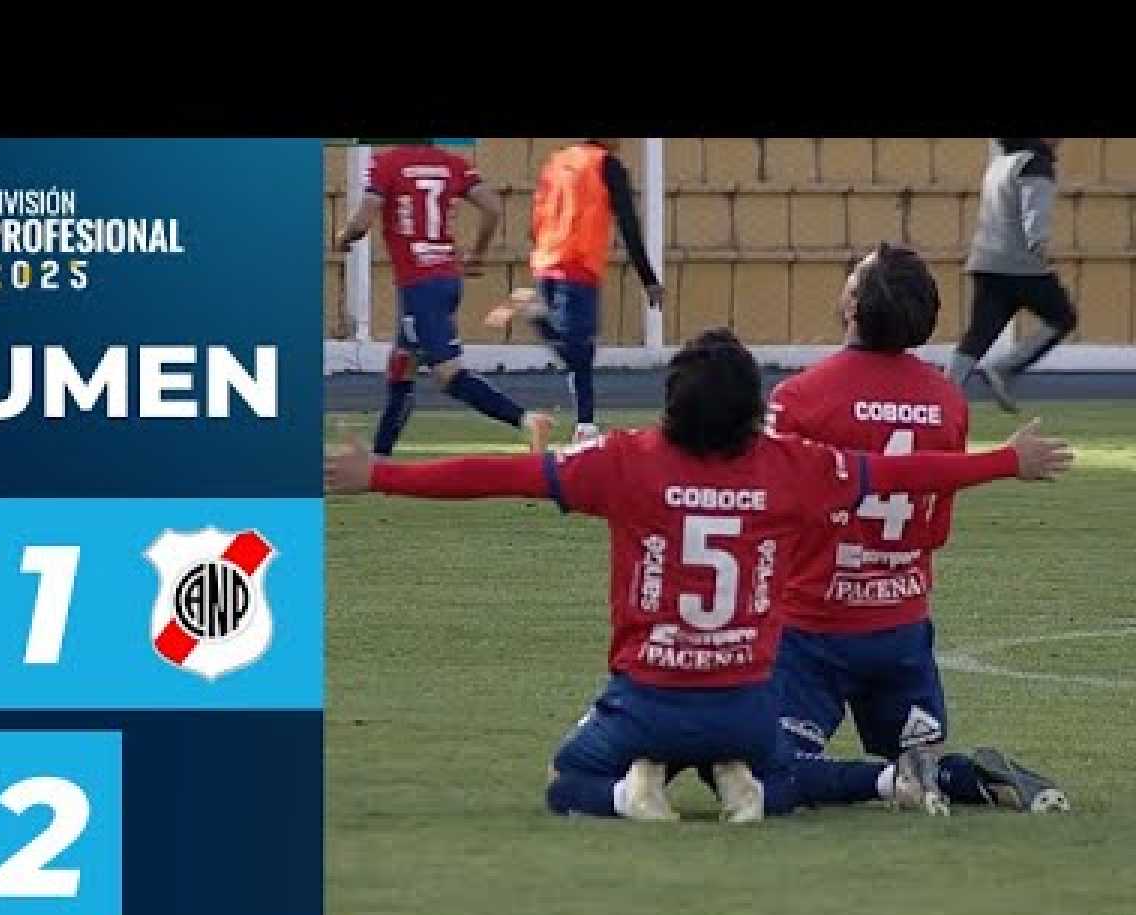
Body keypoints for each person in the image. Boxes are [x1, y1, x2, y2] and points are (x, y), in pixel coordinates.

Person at [326, 327, 1074, 823]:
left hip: (646, 699)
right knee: (786, 776)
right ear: (754, 411)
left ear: (673, 405)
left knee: (569, 780)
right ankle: (873, 780)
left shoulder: (624, 462)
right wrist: (1005, 460)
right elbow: (902, 472)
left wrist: (382, 475)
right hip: (746, 701)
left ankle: (632, 794)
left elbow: (500, 477)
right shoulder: (793, 468)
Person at [766, 242, 1071, 815]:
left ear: (853, 304)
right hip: (901, 630)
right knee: (921, 756)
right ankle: (969, 777)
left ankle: (884, 783)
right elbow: (934, 528)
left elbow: (771, 510)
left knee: (773, 773)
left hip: (813, 626)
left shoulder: (798, 398)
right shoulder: (947, 402)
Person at [335, 140, 553, 456]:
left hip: (420, 285)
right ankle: (380, 457)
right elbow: (492, 206)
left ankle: (527, 420)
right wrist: (478, 254)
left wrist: (344, 238)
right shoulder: (452, 163)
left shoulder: (387, 163)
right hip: (445, 279)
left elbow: (362, 221)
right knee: (402, 365)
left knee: (449, 375)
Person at [485, 139, 664, 444]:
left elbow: (538, 214)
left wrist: (542, 249)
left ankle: (585, 423)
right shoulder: (606, 165)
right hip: (577, 263)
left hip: (547, 259)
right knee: (579, 351)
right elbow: (628, 223)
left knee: (577, 350)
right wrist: (648, 277)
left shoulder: (557, 161)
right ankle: (584, 423)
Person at [947, 139, 1078, 413]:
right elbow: (1035, 215)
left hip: (986, 261)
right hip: (1022, 266)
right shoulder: (1036, 164)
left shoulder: (999, 164)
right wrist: (1039, 248)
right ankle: (1004, 368)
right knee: (1063, 317)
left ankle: (944, 392)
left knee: (979, 334)